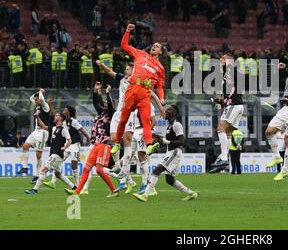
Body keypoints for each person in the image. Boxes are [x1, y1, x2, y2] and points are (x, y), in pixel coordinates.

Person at [111, 24, 166, 180]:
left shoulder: (160, 68)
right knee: (123, 118)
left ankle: (149, 146)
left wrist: (161, 97)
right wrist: (127, 31)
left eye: (157, 46)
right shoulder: (140, 54)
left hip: (144, 92)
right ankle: (116, 144)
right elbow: (124, 45)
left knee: (146, 121)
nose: (154, 47)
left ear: (161, 52)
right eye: (154, 45)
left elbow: (160, 86)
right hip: (132, 87)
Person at [133, 105, 198, 202]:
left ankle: (145, 195)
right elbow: (167, 140)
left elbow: (182, 141)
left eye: (169, 110)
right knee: (169, 180)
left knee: (157, 170)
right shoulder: (169, 126)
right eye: (167, 109)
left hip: (175, 152)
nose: (166, 111)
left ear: (174, 113)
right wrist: (158, 138)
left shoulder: (177, 125)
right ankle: (191, 193)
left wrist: (166, 142)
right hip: (171, 152)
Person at [65, 82, 117, 197]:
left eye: (106, 103)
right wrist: (96, 91)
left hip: (104, 145)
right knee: (86, 168)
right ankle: (77, 191)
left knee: (98, 170)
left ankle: (113, 190)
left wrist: (107, 92)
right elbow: (96, 103)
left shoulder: (111, 114)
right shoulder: (101, 113)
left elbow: (109, 105)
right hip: (96, 144)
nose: (103, 104)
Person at [25, 112, 77, 194]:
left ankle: (35, 189)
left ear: (60, 118)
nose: (55, 117)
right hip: (54, 153)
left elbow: (69, 140)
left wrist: (65, 147)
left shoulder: (64, 130)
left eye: (56, 115)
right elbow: (43, 126)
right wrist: (37, 117)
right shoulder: (54, 128)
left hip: (57, 154)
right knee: (58, 174)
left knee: (43, 170)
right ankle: (74, 187)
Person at [210, 54, 244, 171]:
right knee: (228, 133)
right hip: (236, 106)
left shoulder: (233, 71)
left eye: (223, 58)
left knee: (220, 129)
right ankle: (225, 160)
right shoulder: (227, 74)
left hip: (233, 106)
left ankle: (223, 158)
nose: (220, 59)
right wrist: (220, 100)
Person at [43, 106, 90, 188]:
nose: (63, 111)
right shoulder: (62, 121)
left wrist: (88, 138)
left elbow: (81, 129)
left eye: (65, 110)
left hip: (75, 144)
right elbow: (55, 114)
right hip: (66, 145)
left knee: (73, 164)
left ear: (69, 112)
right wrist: (50, 105)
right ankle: (53, 182)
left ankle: (77, 185)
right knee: (58, 161)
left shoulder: (73, 121)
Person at [18, 89, 52, 183]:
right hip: (36, 131)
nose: (35, 101)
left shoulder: (45, 107)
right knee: (25, 146)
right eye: (36, 100)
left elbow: (41, 98)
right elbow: (31, 98)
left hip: (43, 133)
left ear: (41, 100)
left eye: (37, 100)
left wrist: (41, 92)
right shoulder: (37, 105)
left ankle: (37, 175)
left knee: (38, 155)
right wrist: (38, 92)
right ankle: (25, 167)